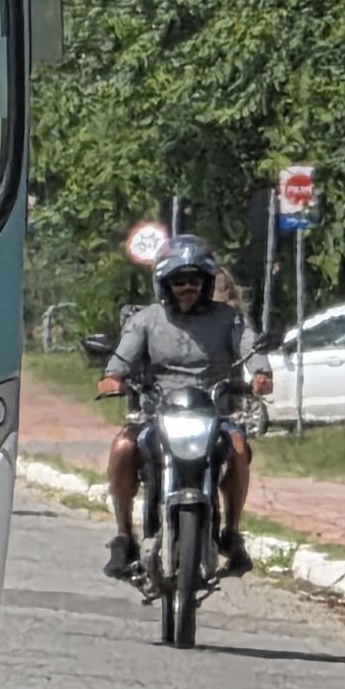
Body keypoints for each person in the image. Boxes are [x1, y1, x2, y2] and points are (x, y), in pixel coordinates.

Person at [96, 235, 270, 579]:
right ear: (165, 284)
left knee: (238, 446)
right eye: (179, 281)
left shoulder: (229, 319)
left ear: (206, 283)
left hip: (213, 415)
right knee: (122, 446)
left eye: (194, 280)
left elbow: (251, 350)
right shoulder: (146, 319)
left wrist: (261, 374)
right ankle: (123, 535)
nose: (187, 287)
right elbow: (118, 364)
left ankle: (232, 533)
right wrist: (113, 379)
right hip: (155, 415)